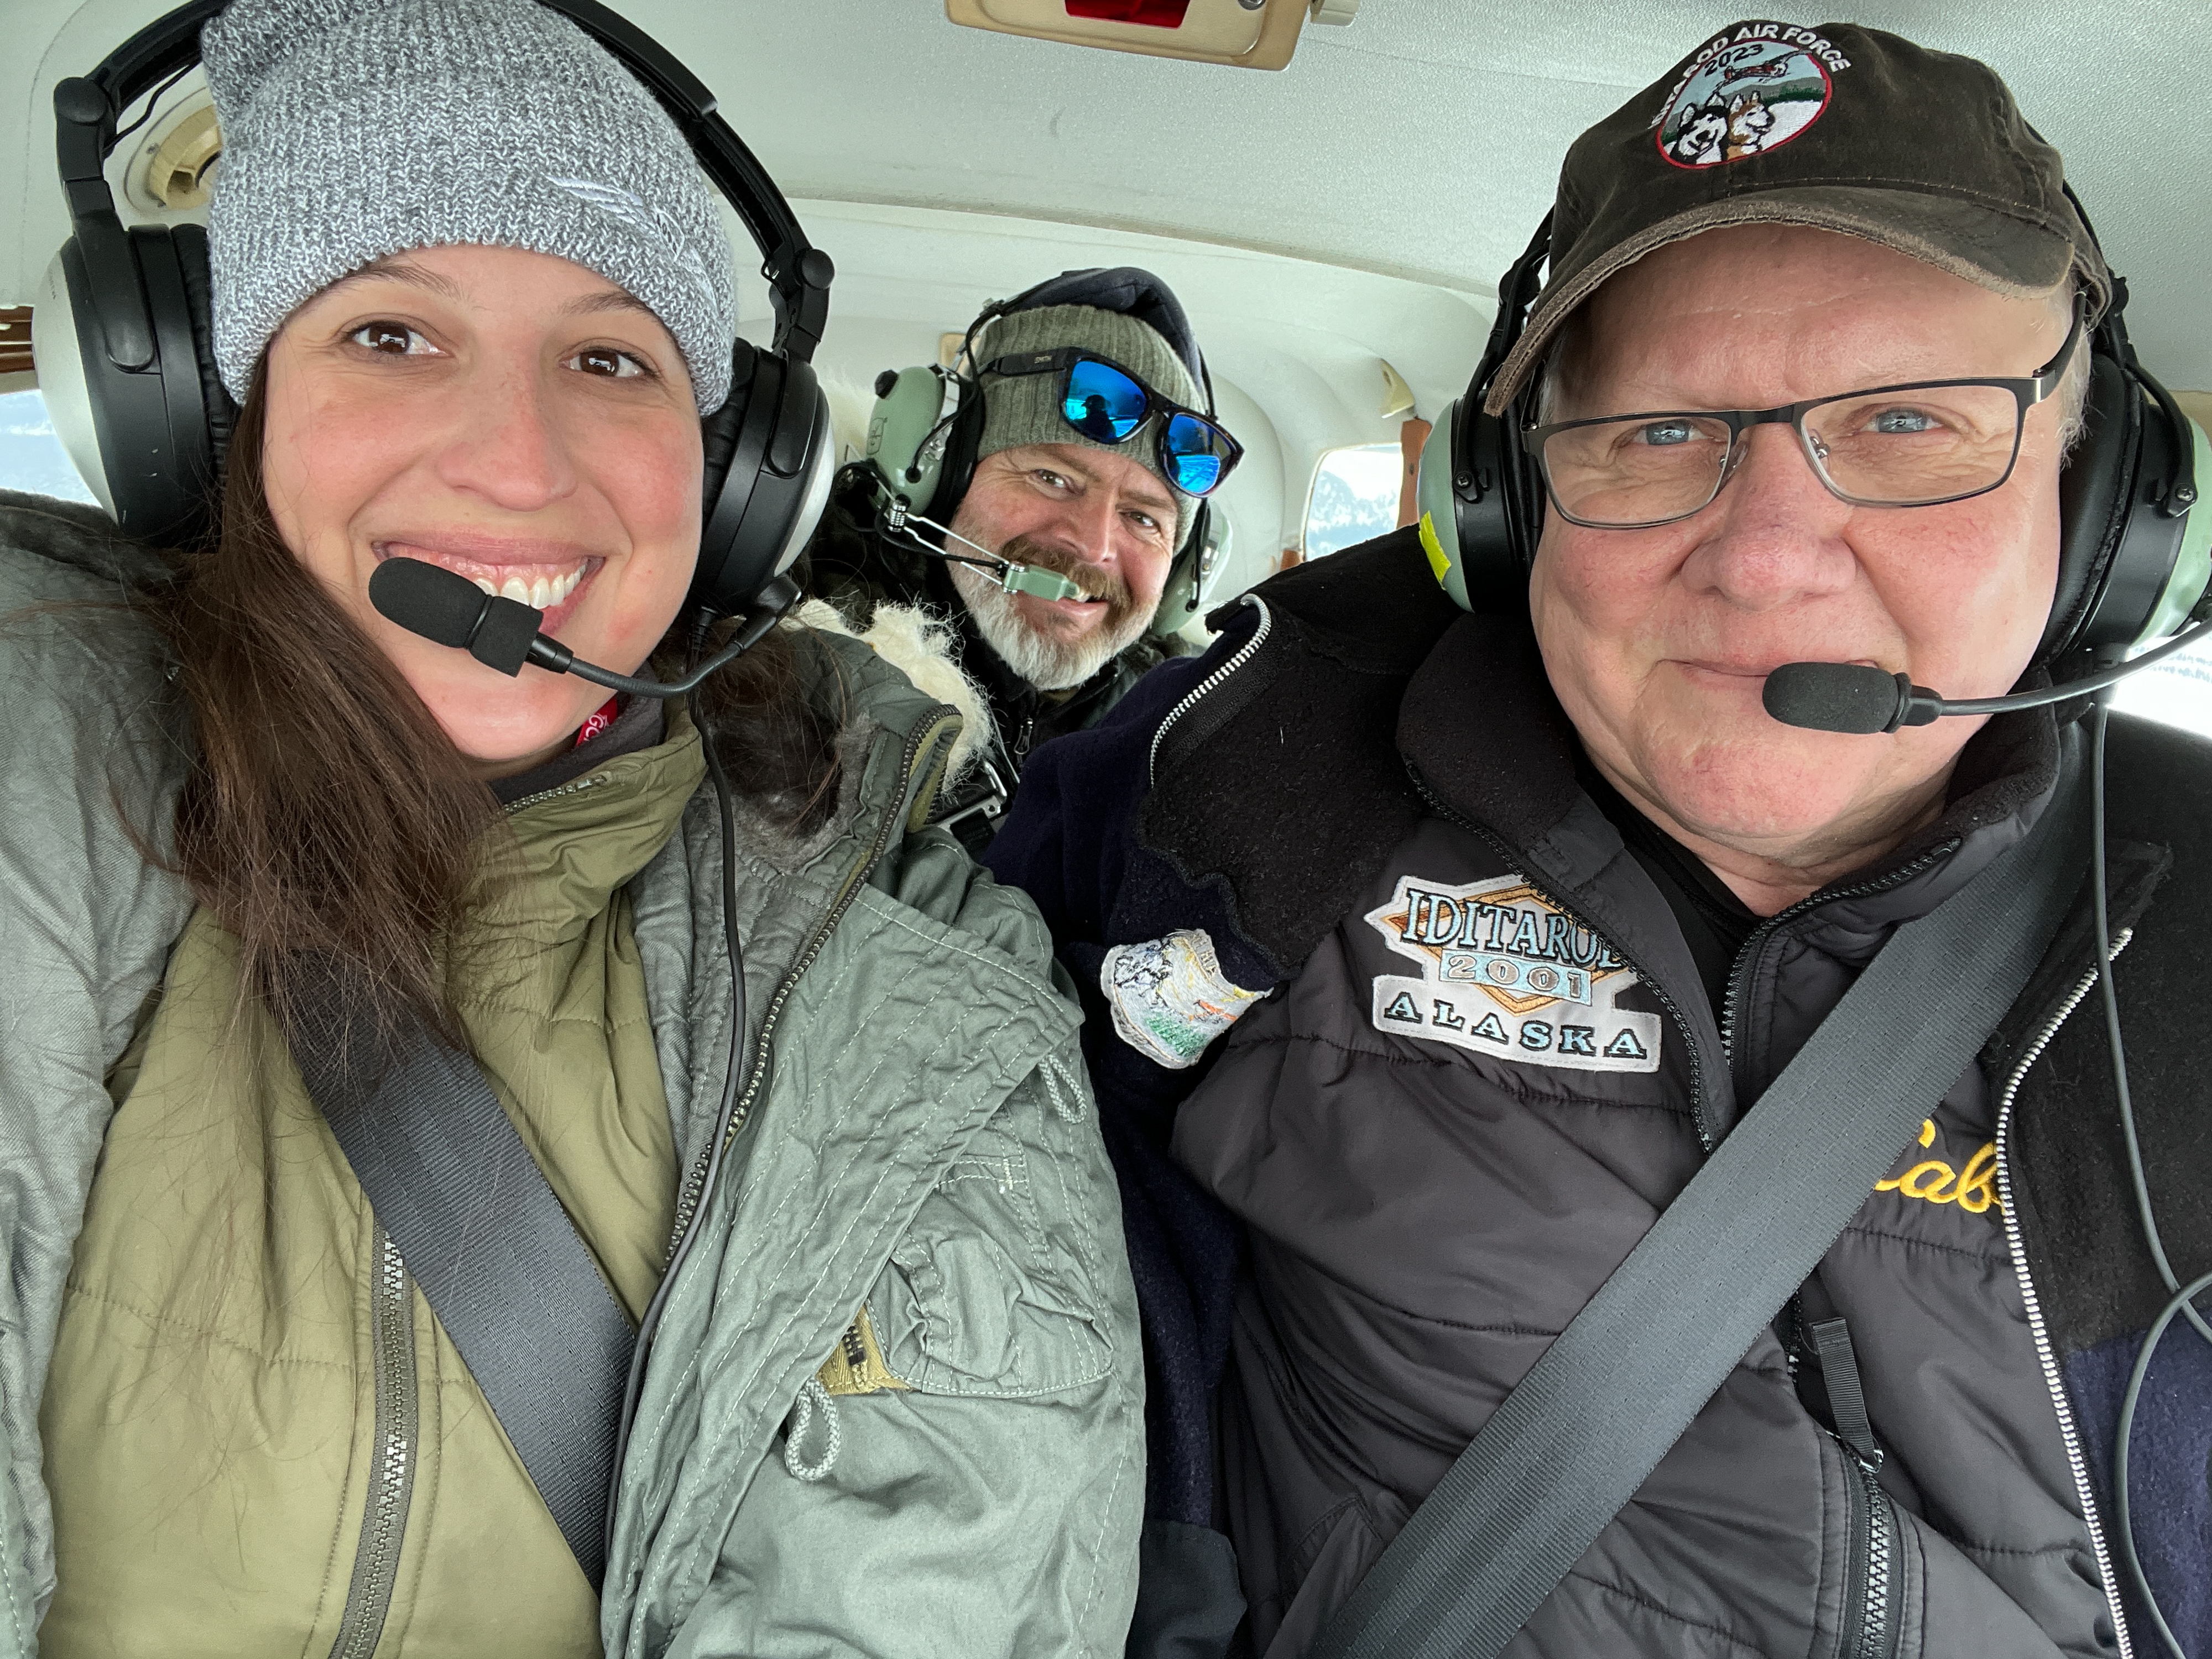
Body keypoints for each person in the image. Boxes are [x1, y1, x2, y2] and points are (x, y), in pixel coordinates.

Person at [987, 20, 2212, 1659]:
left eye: (1907, 424)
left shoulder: (2191, 927)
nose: (1765, 558)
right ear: (1509, 507)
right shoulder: (1242, 789)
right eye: (1652, 430)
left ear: (2104, 510)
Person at [0, 2, 1142, 1655]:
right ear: (210, 412)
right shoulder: (38, 759)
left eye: (612, 356)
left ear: (738, 474)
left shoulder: (909, 946)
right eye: (390, 333)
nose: (516, 463)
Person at [802, 267, 1239, 850]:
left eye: (1143, 518)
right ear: (940, 474)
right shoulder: (786, 655)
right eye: (1052, 478)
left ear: (1187, 569)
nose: (1094, 545)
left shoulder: (1195, 728)